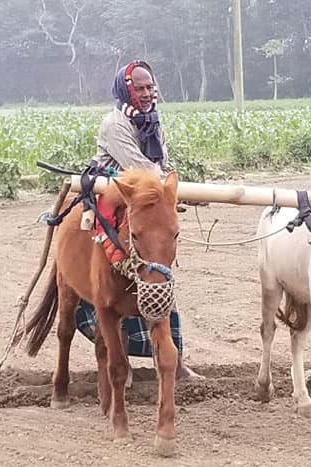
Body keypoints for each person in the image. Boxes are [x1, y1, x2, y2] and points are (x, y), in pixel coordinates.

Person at [78, 59, 201, 381]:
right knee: (108, 285)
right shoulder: (114, 124)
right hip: (117, 193)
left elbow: (161, 162)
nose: (146, 94)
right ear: (126, 90)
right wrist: (171, 190)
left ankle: (175, 359)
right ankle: (119, 360)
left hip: (148, 196)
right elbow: (141, 168)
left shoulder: (153, 121)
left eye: (150, 88)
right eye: (140, 88)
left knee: (160, 272)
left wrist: (172, 195)